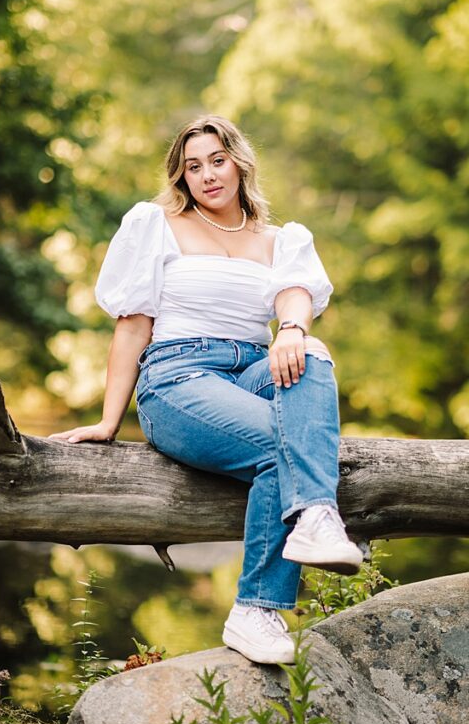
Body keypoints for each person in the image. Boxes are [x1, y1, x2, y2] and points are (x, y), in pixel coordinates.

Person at [51, 115, 363, 665]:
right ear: (181, 177)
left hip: (253, 365)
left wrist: (291, 329)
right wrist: (108, 420)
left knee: (311, 352)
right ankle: (259, 606)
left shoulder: (280, 239)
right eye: (192, 167)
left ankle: (313, 521)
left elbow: (297, 295)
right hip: (177, 376)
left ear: (239, 162)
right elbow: (132, 326)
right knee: (279, 443)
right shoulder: (157, 225)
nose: (207, 175)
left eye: (217, 160)